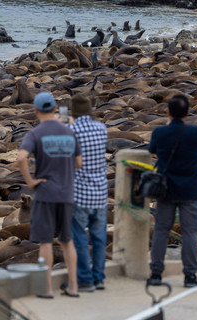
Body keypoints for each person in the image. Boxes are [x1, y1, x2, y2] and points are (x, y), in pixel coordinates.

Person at [17, 92, 82, 298]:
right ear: (55, 109)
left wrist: (30, 181)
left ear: (35, 111)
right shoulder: (69, 132)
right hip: (67, 192)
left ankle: (46, 288)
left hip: (45, 194)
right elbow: (79, 163)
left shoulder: (34, 134)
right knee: (67, 241)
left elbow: (21, 158)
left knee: (46, 243)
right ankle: (73, 286)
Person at [146, 94, 197, 288]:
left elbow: (152, 150)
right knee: (190, 233)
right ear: (188, 113)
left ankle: (156, 273)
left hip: (166, 190)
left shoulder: (159, 133)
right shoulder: (196, 133)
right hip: (190, 190)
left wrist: (167, 124)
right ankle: (190, 275)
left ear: (167, 112)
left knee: (161, 231)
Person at [69, 93, 108, 292]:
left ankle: (85, 279)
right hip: (100, 192)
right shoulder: (102, 129)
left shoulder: (70, 131)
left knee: (80, 239)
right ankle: (100, 277)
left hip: (79, 193)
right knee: (100, 237)